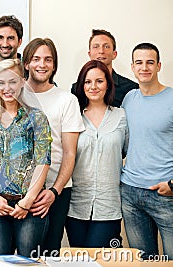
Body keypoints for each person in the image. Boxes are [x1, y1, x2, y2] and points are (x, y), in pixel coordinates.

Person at [0, 59, 52, 257]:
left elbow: (42, 161)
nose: (7, 88)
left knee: (27, 261)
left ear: (22, 82)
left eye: (12, 82)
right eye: (1, 83)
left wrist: (27, 202)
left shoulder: (37, 117)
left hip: (30, 207)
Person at [21, 38, 85, 255]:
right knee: (16, 256)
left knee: (49, 253)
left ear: (54, 65)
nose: (42, 64)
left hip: (55, 191)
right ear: (27, 63)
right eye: (36, 59)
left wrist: (54, 192)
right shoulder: (13, 94)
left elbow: (69, 153)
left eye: (48, 59)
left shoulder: (66, 100)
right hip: (17, 191)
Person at [66, 60, 128, 248]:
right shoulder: (73, 116)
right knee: (79, 260)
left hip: (109, 205)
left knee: (101, 260)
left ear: (108, 84)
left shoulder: (121, 116)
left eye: (99, 81)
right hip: (76, 205)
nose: (93, 87)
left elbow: (126, 152)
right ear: (81, 85)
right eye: (87, 82)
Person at [120, 43, 173, 260]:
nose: (144, 67)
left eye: (150, 62)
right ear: (132, 67)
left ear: (159, 66)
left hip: (165, 195)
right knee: (143, 262)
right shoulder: (129, 99)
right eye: (139, 63)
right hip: (131, 194)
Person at [71, 29, 138, 107]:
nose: (101, 51)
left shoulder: (131, 88)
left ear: (114, 54)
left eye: (106, 46)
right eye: (96, 47)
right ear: (89, 54)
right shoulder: (77, 88)